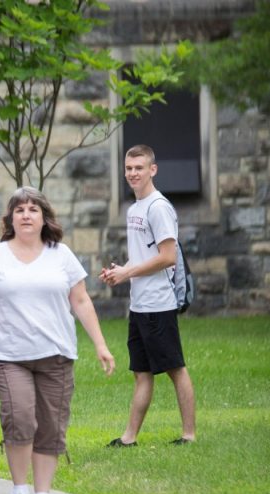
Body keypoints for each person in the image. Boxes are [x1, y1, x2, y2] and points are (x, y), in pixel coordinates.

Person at [0, 186, 114, 494]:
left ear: (44, 217)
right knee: (19, 417)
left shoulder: (61, 254)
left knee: (51, 424)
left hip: (56, 352)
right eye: (20, 210)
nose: (27, 215)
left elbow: (80, 300)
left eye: (33, 209)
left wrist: (101, 344)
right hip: (8, 354)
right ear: (11, 218)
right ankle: (19, 490)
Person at [100, 144, 196, 446]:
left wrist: (128, 273)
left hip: (159, 304)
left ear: (152, 169)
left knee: (175, 369)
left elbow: (168, 257)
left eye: (139, 168)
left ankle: (189, 435)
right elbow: (143, 256)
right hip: (139, 305)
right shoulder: (134, 209)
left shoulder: (159, 207)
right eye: (129, 168)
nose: (132, 173)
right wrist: (121, 270)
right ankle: (129, 438)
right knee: (141, 373)